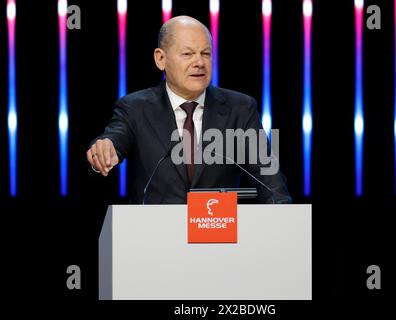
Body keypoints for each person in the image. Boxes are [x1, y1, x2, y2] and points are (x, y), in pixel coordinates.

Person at [86, 15, 291, 204]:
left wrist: (285, 223)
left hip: (218, 235)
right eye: (187, 54)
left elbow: (271, 184)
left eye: (206, 53)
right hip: (154, 236)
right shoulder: (135, 108)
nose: (199, 63)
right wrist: (102, 152)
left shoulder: (240, 109)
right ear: (161, 59)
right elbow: (114, 139)